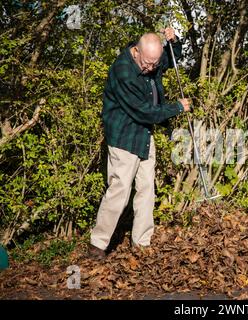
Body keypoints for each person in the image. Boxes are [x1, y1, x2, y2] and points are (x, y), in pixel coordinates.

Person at [88, 28, 190, 260]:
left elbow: (171, 59)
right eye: (147, 64)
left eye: (155, 64)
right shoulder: (124, 71)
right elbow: (144, 112)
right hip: (124, 136)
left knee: (146, 189)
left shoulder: (151, 59)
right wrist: (176, 107)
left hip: (144, 135)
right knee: (120, 191)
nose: (151, 68)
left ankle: (141, 242)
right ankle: (97, 244)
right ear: (136, 51)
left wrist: (173, 41)